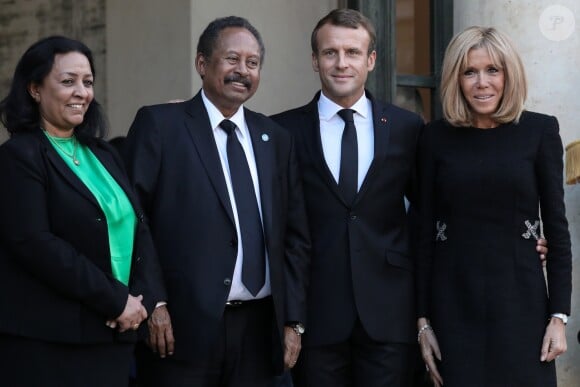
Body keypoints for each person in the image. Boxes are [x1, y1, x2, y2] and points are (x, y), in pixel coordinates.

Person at [122, 16, 311, 387]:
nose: (243, 71)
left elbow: (295, 236)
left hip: (261, 330)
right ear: (202, 64)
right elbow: (131, 218)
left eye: (253, 63)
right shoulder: (161, 125)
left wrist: (294, 321)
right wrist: (154, 303)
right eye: (232, 59)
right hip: (181, 329)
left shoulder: (275, 138)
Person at [0, 36, 165, 387]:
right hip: (51, 344)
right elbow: (36, 244)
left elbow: (140, 227)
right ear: (34, 89)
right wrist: (115, 300)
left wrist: (142, 301)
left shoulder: (104, 154)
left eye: (87, 82)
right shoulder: (19, 156)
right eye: (67, 81)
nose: (81, 92)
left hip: (114, 336)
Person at [271, 9, 423, 386]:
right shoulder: (281, 131)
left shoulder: (407, 128)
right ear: (314, 60)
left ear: (370, 60)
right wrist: (290, 316)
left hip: (389, 314)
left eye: (353, 52)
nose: (342, 63)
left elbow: (432, 211)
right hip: (315, 315)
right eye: (330, 53)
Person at [416, 26, 571, 387]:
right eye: (469, 72)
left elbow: (558, 232)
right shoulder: (435, 137)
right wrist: (422, 322)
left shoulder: (540, 131)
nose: (481, 83)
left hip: (523, 308)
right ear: (457, 78)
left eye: (492, 71)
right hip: (452, 306)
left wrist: (558, 317)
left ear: (508, 75)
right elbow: (422, 233)